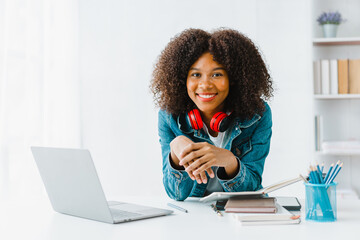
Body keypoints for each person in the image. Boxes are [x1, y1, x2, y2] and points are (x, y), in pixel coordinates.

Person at [150, 28, 273, 201]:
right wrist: (175, 152)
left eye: (216, 74)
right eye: (196, 74)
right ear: (182, 79)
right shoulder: (169, 116)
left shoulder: (257, 115)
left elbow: (251, 190)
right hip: (195, 215)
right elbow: (175, 194)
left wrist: (230, 162)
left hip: (238, 214)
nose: (205, 84)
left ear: (234, 78)